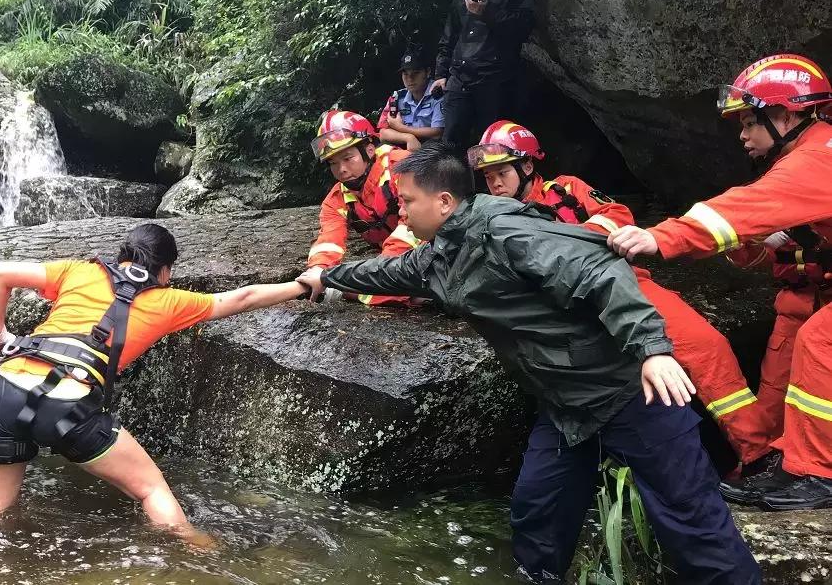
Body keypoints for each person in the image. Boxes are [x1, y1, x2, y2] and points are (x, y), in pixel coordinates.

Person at [298, 143, 761, 584]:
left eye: (407, 200)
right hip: (563, 406)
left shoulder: (508, 229)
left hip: (627, 393)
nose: (400, 211)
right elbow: (387, 271)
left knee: (689, 518)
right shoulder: (441, 253)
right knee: (538, 510)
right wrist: (327, 275)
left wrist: (653, 349)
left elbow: (601, 270)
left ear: (442, 202)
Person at [0, 223, 311, 542]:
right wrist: (303, 285)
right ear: (164, 270)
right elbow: (242, 298)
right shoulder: (168, 300)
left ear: (122, 255)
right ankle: (198, 554)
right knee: (151, 489)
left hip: (8, 392)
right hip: (67, 405)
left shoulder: (80, 271)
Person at [467, 119, 773, 475]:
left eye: (501, 172)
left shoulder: (564, 190)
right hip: (562, 310)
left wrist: (576, 243)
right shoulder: (489, 214)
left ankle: (758, 455)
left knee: (707, 347)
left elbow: (617, 214)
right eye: (488, 177)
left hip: (623, 286)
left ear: (528, 165)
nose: (495, 183)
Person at [606, 53, 832, 511]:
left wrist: (659, 236)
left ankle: (817, 475)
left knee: (820, 340)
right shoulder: (809, 159)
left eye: (750, 121)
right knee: (785, 362)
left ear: (787, 113)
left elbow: (741, 209)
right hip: (811, 292)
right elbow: (768, 232)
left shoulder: (817, 159)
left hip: (818, 300)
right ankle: (778, 460)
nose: (742, 135)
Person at [307, 109, 421, 306]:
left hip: (429, 247)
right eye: (333, 163)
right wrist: (317, 271)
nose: (341, 169)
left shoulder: (403, 167)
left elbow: (414, 227)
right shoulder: (336, 199)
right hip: (393, 260)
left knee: (397, 291)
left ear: (369, 150)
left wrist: (378, 272)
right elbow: (329, 240)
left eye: (348, 158)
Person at [432, 0, 535, 152]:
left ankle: (489, 176)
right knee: (450, 144)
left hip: (496, 82)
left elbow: (522, 29)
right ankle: (450, 176)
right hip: (459, 77)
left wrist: (487, 12)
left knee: (493, 146)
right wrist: (441, 74)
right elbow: (449, 36)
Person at [377, 48, 445, 150]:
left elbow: (437, 133)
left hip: (434, 152)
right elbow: (383, 133)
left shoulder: (438, 94)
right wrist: (408, 137)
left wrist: (400, 128)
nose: (410, 78)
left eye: (416, 73)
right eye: (405, 74)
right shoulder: (396, 98)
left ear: (428, 72)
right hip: (406, 150)